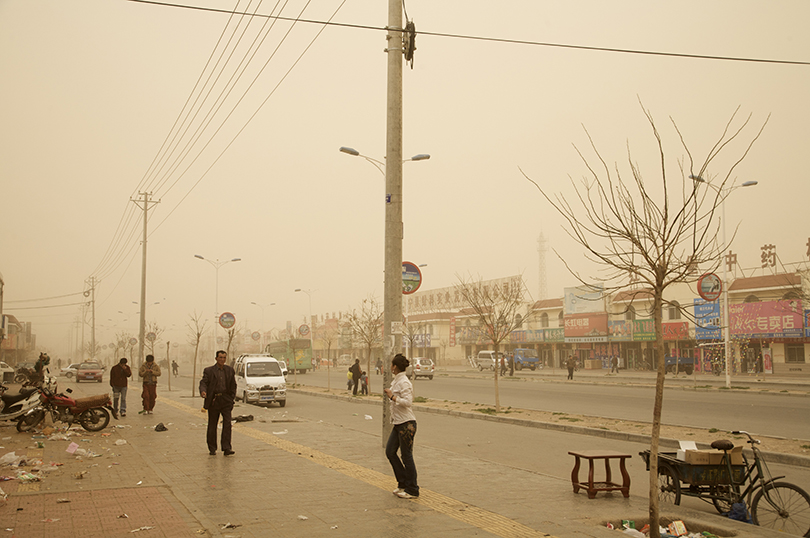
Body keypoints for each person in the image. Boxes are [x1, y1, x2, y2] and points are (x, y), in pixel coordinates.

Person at [383, 354, 419, 499]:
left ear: (395, 366)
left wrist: (392, 397)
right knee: (390, 452)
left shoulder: (404, 382)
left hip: (406, 424)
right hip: (398, 423)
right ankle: (402, 483)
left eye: (391, 365)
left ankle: (413, 489)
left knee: (406, 456)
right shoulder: (397, 380)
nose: (390, 367)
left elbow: (408, 402)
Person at [199, 350, 237, 456]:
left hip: (226, 400)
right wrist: (203, 391)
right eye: (220, 357)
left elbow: (233, 385)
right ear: (216, 358)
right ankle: (212, 448)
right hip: (214, 400)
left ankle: (226, 447)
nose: (222, 360)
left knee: (227, 424)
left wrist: (231, 397)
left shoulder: (229, 370)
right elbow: (203, 382)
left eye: (224, 358)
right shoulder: (209, 371)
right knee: (212, 425)